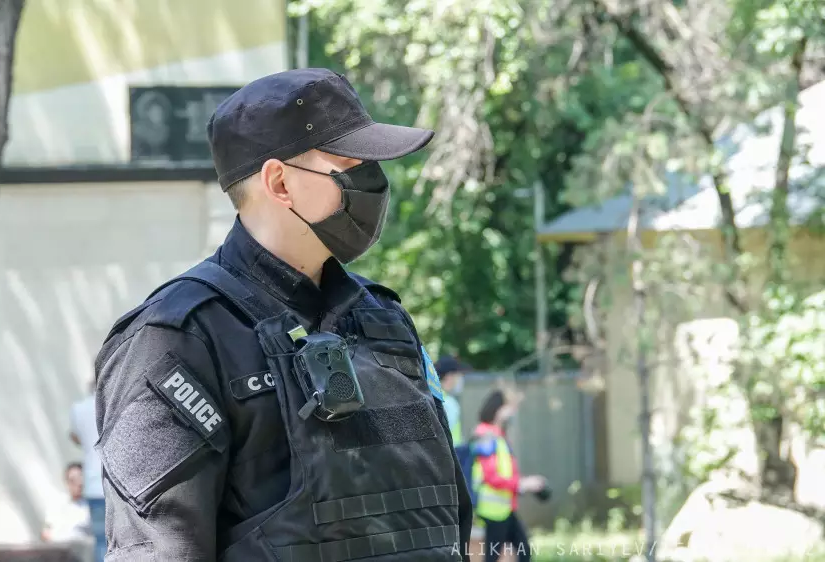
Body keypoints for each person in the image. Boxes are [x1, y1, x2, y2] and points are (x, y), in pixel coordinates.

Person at [94, 68, 473, 561]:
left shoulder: (385, 320)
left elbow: (447, 515)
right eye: (348, 163)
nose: (373, 180)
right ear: (279, 182)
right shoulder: (177, 338)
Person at [471, 390, 547, 562]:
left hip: (504, 508)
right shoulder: (486, 436)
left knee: (522, 550)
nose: (512, 412)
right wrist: (522, 484)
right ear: (497, 409)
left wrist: (523, 483)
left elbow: (505, 471)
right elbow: (491, 477)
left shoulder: (497, 435)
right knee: (498, 554)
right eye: (509, 407)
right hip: (493, 509)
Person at [70, 384, 105, 562]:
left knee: (101, 541)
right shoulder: (113, 405)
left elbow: (75, 436)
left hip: (93, 484)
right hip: (116, 485)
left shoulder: (78, 408)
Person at [42, 462, 92, 543]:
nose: (79, 483)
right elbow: (47, 530)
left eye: (80, 479)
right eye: (73, 480)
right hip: (57, 547)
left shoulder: (91, 506)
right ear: (67, 482)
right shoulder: (57, 503)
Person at [434, 355, 469, 445]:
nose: (459, 379)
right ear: (449, 376)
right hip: (452, 450)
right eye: (458, 375)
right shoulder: (449, 403)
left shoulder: (433, 397)